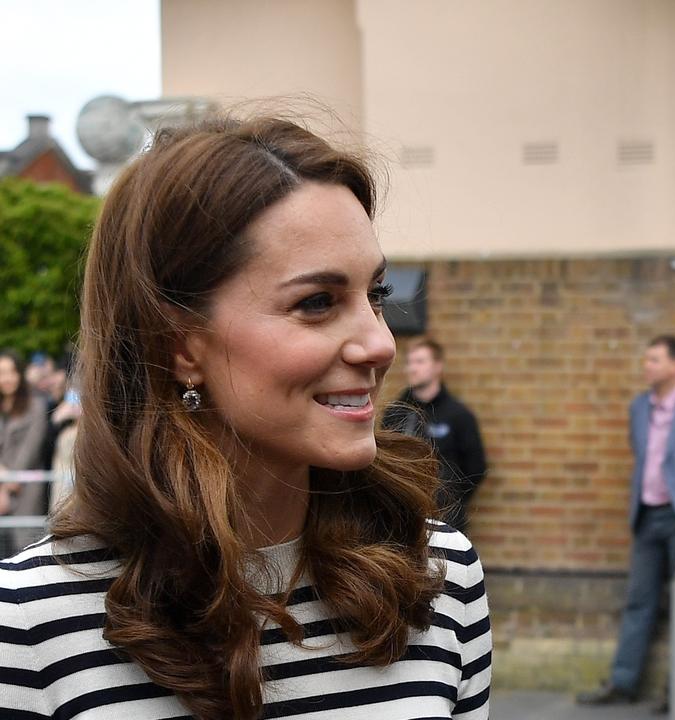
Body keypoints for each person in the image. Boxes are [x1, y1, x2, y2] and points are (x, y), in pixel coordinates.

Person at [0, 116, 492, 719]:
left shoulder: (437, 578)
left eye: (377, 294)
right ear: (180, 344)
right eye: (317, 303)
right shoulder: (28, 626)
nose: (380, 342)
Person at [579, 335, 675, 708]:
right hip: (648, 515)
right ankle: (623, 683)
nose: (646, 365)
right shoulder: (640, 408)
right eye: (646, 358)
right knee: (639, 601)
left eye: (654, 359)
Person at [383, 338, 487, 532]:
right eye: (409, 362)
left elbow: (476, 467)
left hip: (445, 520)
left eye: (420, 362)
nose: (412, 368)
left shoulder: (458, 415)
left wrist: (449, 499)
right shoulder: (395, 413)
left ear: (437, 366)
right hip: (400, 517)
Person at [0, 350, 50, 555]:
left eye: (11, 372)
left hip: (26, 488)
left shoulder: (36, 405)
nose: (7, 378)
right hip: (3, 481)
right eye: (2, 373)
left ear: (20, 374)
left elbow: (31, 448)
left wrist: (7, 486)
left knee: (25, 551)